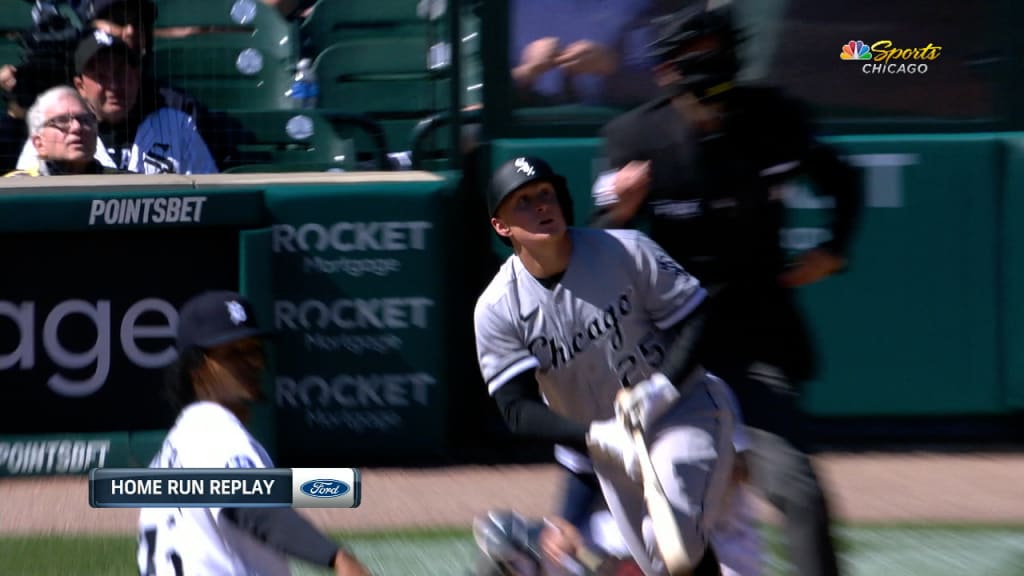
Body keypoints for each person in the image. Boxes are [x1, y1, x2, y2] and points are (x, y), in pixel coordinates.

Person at [588, 5, 862, 576]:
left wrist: (833, 250)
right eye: (695, 80)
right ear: (666, 74)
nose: (712, 108)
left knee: (799, 491)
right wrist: (620, 211)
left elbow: (844, 178)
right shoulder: (634, 139)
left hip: (758, 343)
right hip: (671, 359)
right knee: (664, 517)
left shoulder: (776, 119)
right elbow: (596, 260)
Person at [474, 155, 743, 575]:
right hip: (610, 448)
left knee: (674, 536)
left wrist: (661, 388)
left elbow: (697, 316)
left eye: (546, 194)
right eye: (523, 201)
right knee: (659, 563)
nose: (541, 205)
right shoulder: (498, 308)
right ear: (501, 226)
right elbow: (516, 409)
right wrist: (595, 436)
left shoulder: (624, 250)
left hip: (685, 410)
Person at [138, 290, 372, 576]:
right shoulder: (216, 434)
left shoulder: (171, 452)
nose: (252, 362)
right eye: (233, 353)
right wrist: (335, 556)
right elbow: (250, 505)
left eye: (254, 349)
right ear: (197, 369)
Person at [17, 28, 219, 174]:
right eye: (101, 77)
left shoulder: (177, 125)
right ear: (80, 86)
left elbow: (206, 201)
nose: (114, 85)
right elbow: (30, 205)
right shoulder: (49, 134)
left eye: (121, 73)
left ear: (137, 76)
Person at [4, 84, 120, 176]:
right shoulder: (15, 190)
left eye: (85, 120)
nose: (77, 127)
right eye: (62, 120)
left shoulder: (123, 186)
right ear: (39, 143)